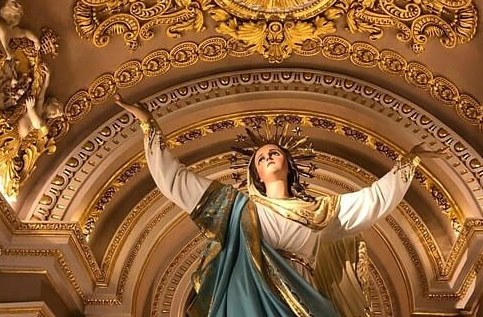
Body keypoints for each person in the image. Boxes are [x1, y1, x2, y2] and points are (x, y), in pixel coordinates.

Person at [115, 95, 448, 316]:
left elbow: (373, 201)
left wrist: (408, 164)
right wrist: (149, 126)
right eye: (260, 157)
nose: (268, 156)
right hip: (248, 296)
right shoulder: (238, 208)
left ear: (289, 163)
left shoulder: (322, 212)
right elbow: (176, 180)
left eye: (274, 153)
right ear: (256, 174)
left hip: (304, 294)